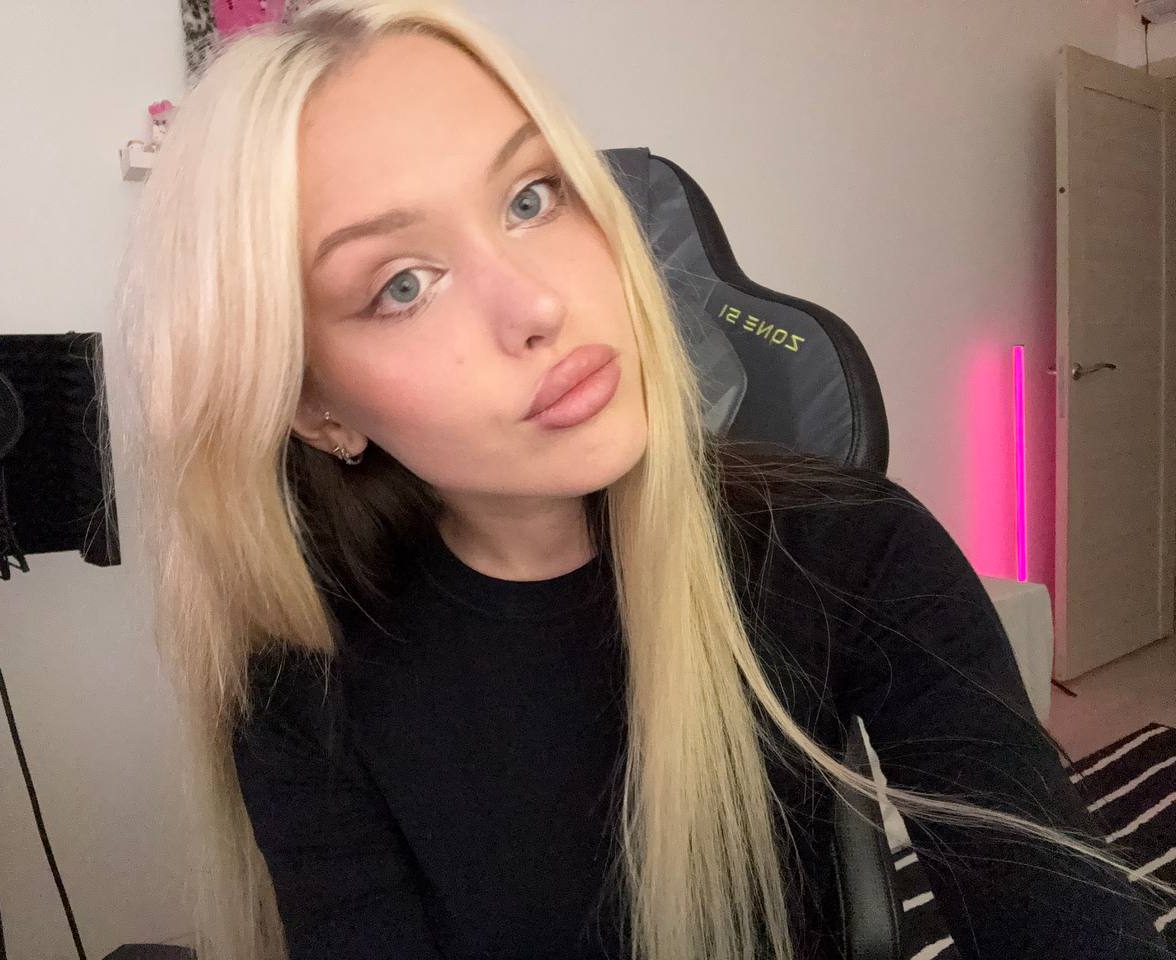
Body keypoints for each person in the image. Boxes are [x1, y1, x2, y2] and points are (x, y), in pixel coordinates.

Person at [110, 1, 1176, 958]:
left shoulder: (850, 548)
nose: (536, 304)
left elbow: (1053, 903)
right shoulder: (301, 681)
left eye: (532, 197)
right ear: (318, 408)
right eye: (402, 284)